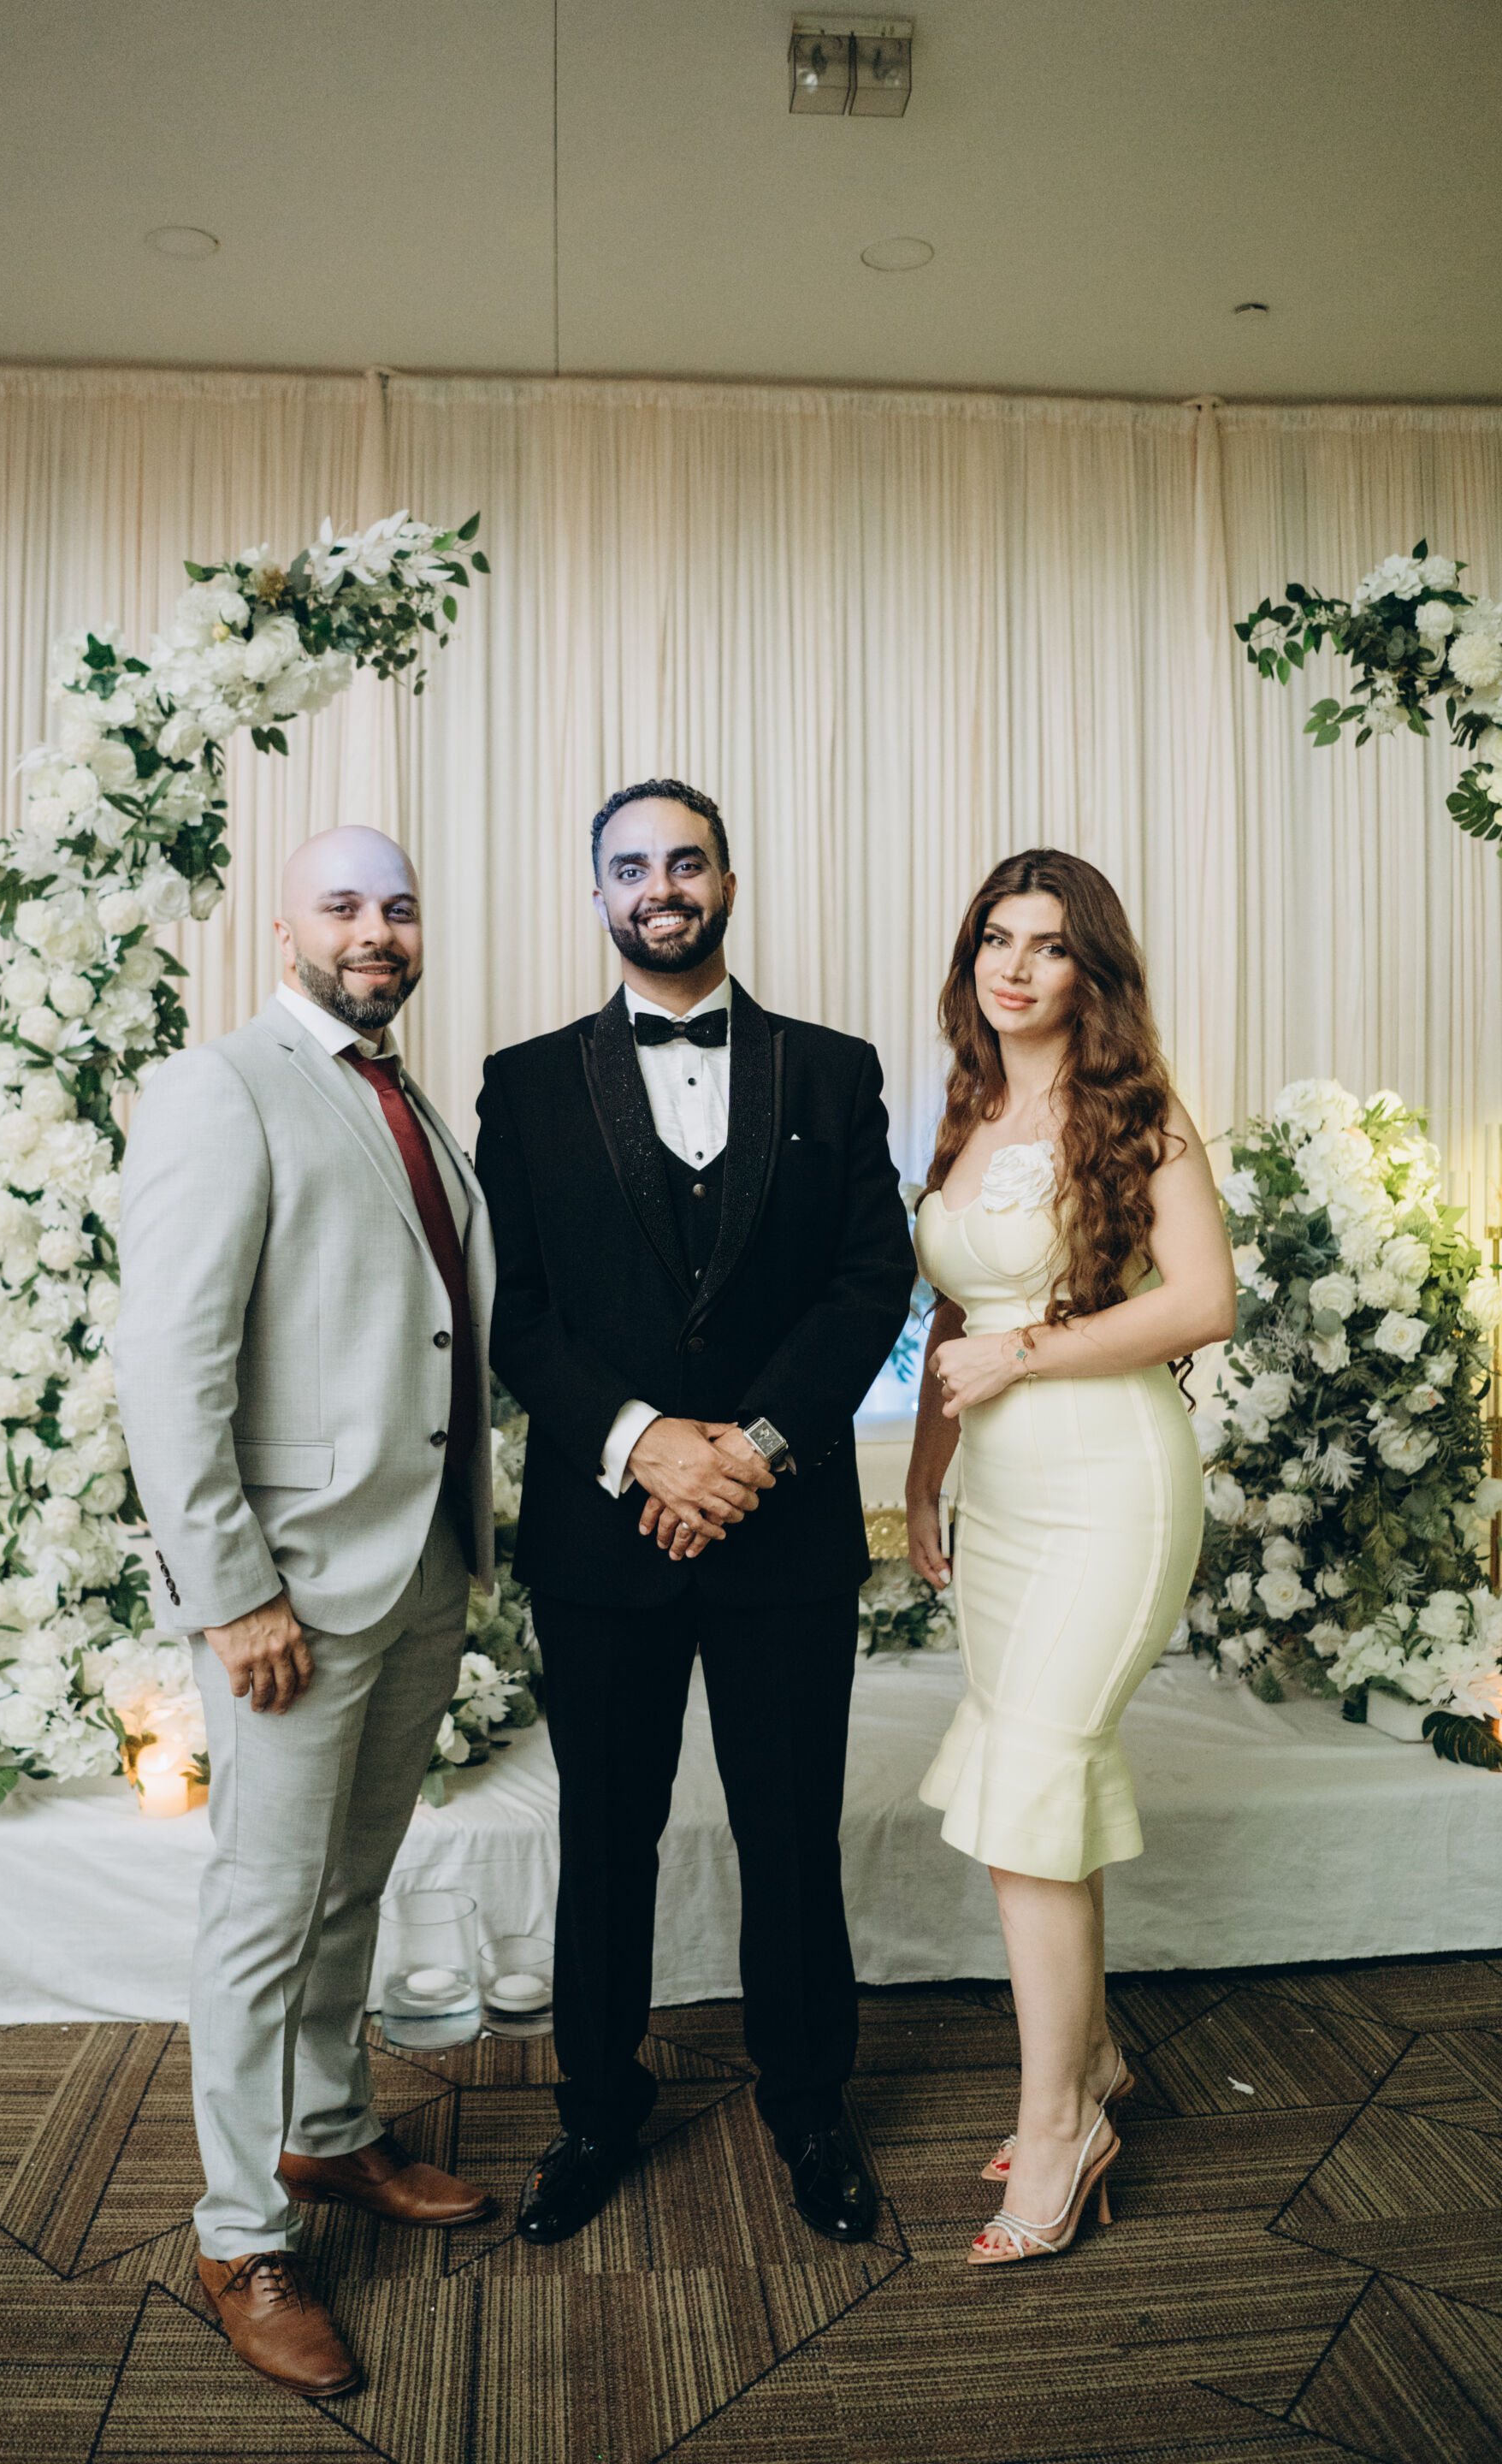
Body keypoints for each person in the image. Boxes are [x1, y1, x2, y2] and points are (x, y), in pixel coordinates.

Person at [475, 779, 915, 2248]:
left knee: (793, 1833)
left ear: (728, 880)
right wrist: (647, 1446)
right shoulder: (524, 1083)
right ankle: (597, 2108)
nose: (658, 887)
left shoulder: (833, 1071)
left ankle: (811, 2104)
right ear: (598, 893)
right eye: (630, 867)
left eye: (684, 862)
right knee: (608, 1836)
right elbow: (517, 1314)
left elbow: (871, 1282)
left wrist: (752, 1452)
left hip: (783, 1529)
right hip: (603, 1535)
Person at [116, 826, 493, 2397]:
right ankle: (237, 2234)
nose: (374, 930)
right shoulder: (224, 1087)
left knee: (351, 1886)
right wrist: (233, 1595)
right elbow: (168, 1364)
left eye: (396, 907)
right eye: (342, 905)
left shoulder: (408, 1099)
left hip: (421, 1567)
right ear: (284, 931)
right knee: (264, 1914)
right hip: (290, 1591)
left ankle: (327, 2133)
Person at [903, 847, 1234, 2267]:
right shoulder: (970, 1106)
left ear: (1090, 970)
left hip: (1111, 1485)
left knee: (1032, 1785)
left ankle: (1060, 2128)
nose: (1015, 966)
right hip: (1001, 1500)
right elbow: (951, 1320)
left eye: (1046, 944)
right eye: (996, 937)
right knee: (1033, 1785)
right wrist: (926, 1473)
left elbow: (1204, 1302)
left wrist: (1025, 1353)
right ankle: (1090, 2057)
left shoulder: (1139, 1110)